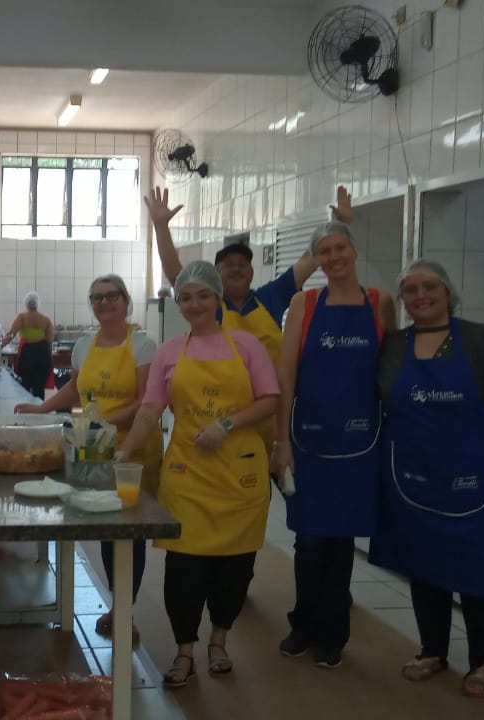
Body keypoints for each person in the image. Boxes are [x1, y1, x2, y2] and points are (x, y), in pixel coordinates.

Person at [368, 260, 484, 699]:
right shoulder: (394, 346)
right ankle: (433, 650)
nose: (420, 296)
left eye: (429, 287)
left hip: (477, 480)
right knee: (425, 569)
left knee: (482, 574)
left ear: (447, 291)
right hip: (413, 479)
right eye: (411, 290)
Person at [116, 261, 279, 688]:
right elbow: (151, 408)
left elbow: (270, 400)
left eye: (202, 295)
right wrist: (126, 452)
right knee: (183, 568)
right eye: (186, 297)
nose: (194, 304)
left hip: (239, 473)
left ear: (218, 298)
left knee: (235, 567)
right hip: (187, 472)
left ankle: (219, 641)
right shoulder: (171, 350)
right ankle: (184, 650)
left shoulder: (247, 346)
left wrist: (226, 425)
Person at [272, 221, 396, 669]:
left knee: (341, 543)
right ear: (317, 259)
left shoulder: (380, 304)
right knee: (308, 542)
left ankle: (333, 633)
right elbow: (285, 375)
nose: (333, 256)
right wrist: (280, 440)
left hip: (361, 442)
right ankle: (303, 623)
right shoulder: (303, 304)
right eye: (324, 250)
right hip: (309, 440)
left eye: (340, 247)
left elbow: (392, 371)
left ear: (354, 249)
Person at [14, 275, 161, 638]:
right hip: (93, 445)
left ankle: (123, 610)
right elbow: (73, 389)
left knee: (129, 531)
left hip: (133, 446)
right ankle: (117, 601)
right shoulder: (84, 345)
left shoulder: (143, 345)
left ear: (125, 301)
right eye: (96, 298)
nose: (103, 303)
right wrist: (42, 409)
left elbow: (145, 400)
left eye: (111, 296)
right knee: (104, 527)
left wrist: (103, 422)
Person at [145, 185, 353, 364]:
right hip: (223, 402)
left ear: (252, 272)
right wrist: (161, 226)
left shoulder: (271, 297)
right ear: (216, 275)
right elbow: (176, 275)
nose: (236, 269)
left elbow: (311, 259)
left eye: (243, 264)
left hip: (270, 405)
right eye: (229, 265)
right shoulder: (210, 305)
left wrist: (339, 224)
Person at [1, 292, 55, 399]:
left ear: (26, 304)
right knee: (39, 389)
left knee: (24, 387)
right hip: (43, 353)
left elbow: (11, 334)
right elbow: (50, 339)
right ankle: (39, 411)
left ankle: (25, 412)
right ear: (38, 304)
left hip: (28, 354)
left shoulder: (22, 317)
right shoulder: (46, 319)